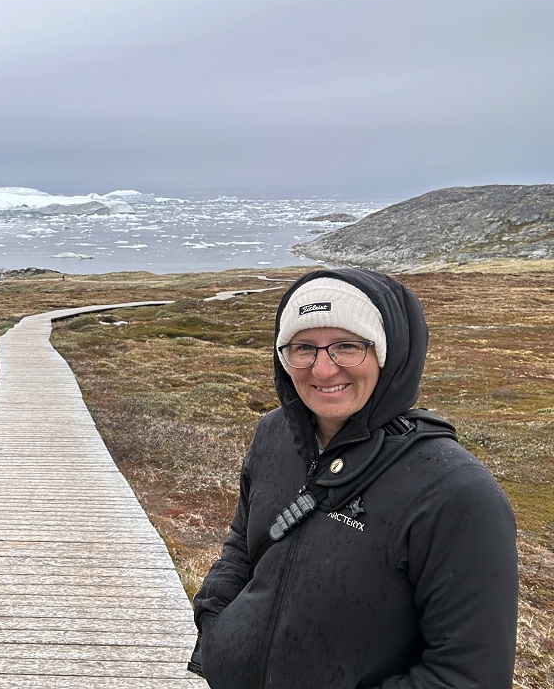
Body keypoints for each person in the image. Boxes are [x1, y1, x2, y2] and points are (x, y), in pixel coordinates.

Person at [192, 269, 518, 688]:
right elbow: (242, 541)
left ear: (388, 353)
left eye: (347, 347)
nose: (323, 370)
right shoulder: (274, 434)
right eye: (303, 348)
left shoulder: (456, 491)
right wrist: (215, 622)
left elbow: (469, 677)